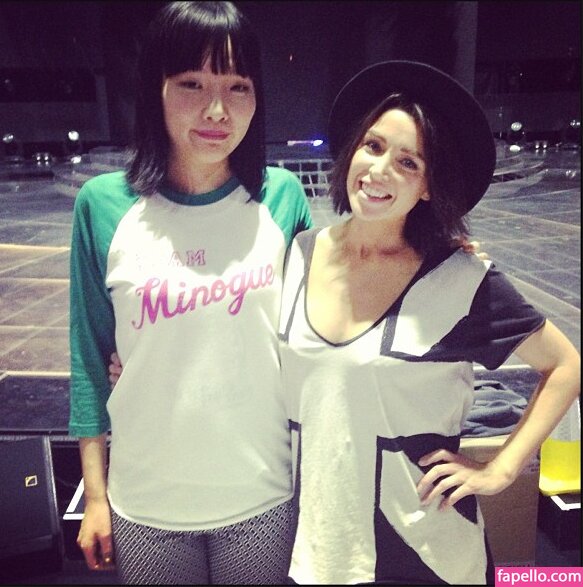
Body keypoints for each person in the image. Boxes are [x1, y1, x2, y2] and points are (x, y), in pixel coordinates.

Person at [277, 60, 581, 585]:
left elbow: (565, 366)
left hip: (424, 552)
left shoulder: (459, 279)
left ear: (427, 187)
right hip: (316, 548)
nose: (379, 170)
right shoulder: (297, 256)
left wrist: (502, 468)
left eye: (408, 162)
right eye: (373, 146)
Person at [68, 2, 312, 584]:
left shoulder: (281, 198)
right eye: (192, 84)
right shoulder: (103, 206)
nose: (217, 110)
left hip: (262, 497)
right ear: (154, 87)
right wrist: (96, 496)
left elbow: (321, 325)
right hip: (146, 503)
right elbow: (88, 360)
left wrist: (435, 248)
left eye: (237, 86)